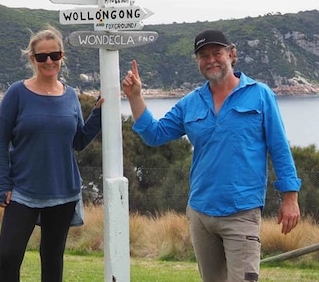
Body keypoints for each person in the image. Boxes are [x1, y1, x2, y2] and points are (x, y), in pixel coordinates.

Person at [121, 29, 301, 282]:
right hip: (201, 214)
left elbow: (279, 147)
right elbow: (155, 134)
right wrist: (136, 97)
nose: (211, 60)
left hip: (242, 212)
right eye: (203, 55)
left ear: (231, 54)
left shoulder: (260, 95)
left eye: (217, 53)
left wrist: (290, 197)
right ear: (197, 61)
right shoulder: (190, 103)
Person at [0, 27, 103, 282]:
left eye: (54, 55)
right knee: (9, 256)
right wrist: (2, 184)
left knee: (53, 259)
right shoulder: (16, 93)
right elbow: (0, 140)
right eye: (42, 57)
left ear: (62, 56)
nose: (49, 61)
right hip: (22, 191)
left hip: (62, 191)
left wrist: (98, 115)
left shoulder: (70, 96)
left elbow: (78, 141)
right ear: (32, 59)